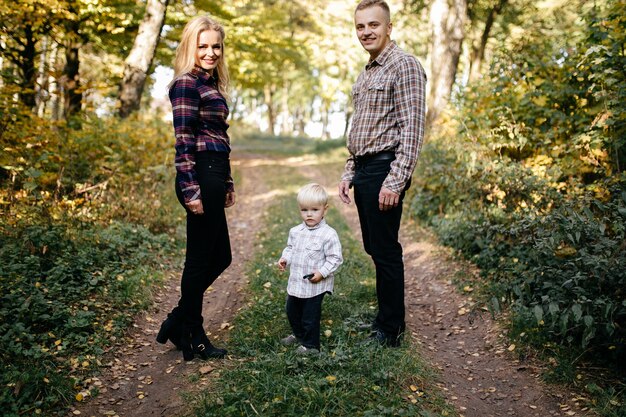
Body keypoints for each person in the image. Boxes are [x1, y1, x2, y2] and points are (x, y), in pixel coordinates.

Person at [338, 0, 427, 347]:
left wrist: (396, 179)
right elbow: (361, 129)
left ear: (389, 27)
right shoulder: (367, 72)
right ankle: (383, 319)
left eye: (373, 25)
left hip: (384, 169)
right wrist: (349, 171)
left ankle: (390, 330)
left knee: (386, 250)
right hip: (364, 168)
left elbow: (413, 129)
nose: (366, 32)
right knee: (375, 247)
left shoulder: (404, 66)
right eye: (360, 27)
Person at [156, 16, 235, 361]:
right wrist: (190, 189)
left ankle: (178, 320)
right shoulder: (186, 84)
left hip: (215, 174)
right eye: (203, 46)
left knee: (222, 256)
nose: (211, 52)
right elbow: (184, 140)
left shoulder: (211, 84)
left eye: (216, 46)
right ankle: (193, 334)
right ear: (191, 46)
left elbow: (221, 138)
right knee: (200, 260)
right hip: (199, 175)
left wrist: (228, 181)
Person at [277, 183, 343, 354]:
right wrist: (285, 258)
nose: (309, 214)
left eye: (314, 209)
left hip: (315, 285)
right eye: (304, 210)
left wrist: (322, 273)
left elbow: (335, 258)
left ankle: (311, 346)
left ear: (324, 209)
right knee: (292, 311)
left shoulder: (328, 234)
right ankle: (299, 335)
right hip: (297, 282)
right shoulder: (296, 231)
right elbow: (290, 248)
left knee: (309, 317)